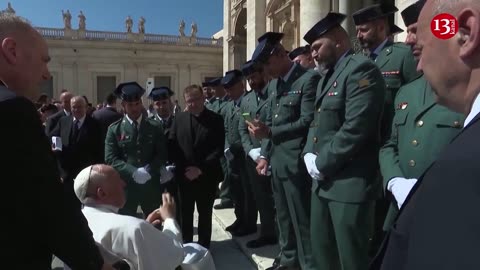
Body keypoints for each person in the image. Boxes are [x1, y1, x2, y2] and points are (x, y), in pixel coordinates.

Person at [371, 0, 480, 269]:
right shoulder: (411, 92)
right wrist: (396, 182)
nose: (418, 66)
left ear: (464, 34)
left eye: (423, 39)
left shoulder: (465, 165)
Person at [0, 12, 112, 270]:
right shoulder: (13, 110)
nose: (46, 74)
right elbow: (49, 209)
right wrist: (95, 262)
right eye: (43, 61)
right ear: (12, 50)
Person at [302, 12, 386, 270]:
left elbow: (356, 127)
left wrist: (322, 163)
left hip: (349, 187)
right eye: (311, 49)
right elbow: (316, 124)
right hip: (322, 185)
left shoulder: (361, 69)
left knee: (351, 261)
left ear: (338, 40)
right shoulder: (326, 78)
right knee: (323, 257)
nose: (313, 54)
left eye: (317, 47)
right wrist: (307, 153)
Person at [378, 0, 464, 233]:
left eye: (416, 30)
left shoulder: (469, 87)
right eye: (407, 31)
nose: (408, 40)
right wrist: (395, 182)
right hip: (401, 212)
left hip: (451, 216)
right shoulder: (408, 91)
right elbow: (389, 145)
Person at [248, 32, 320, 270]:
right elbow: (269, 119)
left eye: (268, 64)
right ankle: (289, 261)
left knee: (302, 220)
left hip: (296, 162)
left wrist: (269, 133)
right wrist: (265, 155)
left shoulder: (308, 80)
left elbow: (308, 120)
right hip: (278, 162)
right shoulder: (275, 86)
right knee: (284, 217)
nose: (266, 71)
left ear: (281, 54)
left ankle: (308, 265)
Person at [74, 164, 216, 270]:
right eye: (117, 180)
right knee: (199, 253)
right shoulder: (134, 227)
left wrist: (146, 228)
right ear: (102, 193)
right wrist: (169, 219)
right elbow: (174, 255)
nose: (124, 184)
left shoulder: (78, 223)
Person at [169, 84, 225, 249]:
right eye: (189, 101)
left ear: (203, 98)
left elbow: (218, 149)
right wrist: (183, 169)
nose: (192, 104)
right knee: (185, 214)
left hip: (207, 176)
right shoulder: (179, 119)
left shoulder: (215, 119)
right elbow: (173, 146)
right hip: (184, 176)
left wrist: (200, 169)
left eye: (196, 100)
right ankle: (186, 246)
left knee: (205, 213)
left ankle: (204, 247)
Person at [105, 82, 172, 217]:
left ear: (141, 103)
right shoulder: (115, 129)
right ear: (123, 105)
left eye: (137, 104)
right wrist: (133, 172)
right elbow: (110, 158)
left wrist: (149, 169)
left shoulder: (154, 126)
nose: (134, 108)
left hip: (151, 184)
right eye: (130, 105)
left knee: (155, 225)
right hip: (126, 186)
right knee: (126, 226)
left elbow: (161, 153)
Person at [238, 60, 277, 248]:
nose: (251, 82)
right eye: (248, 79)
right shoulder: (246, 101)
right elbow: (243, 127)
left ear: (263, 73)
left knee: (279, 200)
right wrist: (250, 150)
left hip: (274, 155)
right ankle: (268, 232)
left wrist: (264, 153)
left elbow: (274, 125)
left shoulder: (276, 93)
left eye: (254, 77)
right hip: (254, 159)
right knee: (261, 198)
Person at [221, 69, 257, 237]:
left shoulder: (248, 102)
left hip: (245, 154)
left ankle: (249, 223)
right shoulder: (229, 106)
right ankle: (239, 218)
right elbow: (226, 129)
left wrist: (241, 148)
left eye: (232, 88)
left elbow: (249, 128)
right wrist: (227, 146)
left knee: (248, 190)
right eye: (227, 89)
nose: (228, 92)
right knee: (236, 190)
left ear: (241, 85)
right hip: (232, 156)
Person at [52, 95, 103, 208]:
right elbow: (54, 137)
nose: (76, 110)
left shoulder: (94, 124)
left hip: (86, 173)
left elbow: (99, 150)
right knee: (68, 206)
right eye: (74, 107)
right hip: (67, 174)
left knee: (87, 206)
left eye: (79, 107)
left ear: (86, 107)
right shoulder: (63, 121)